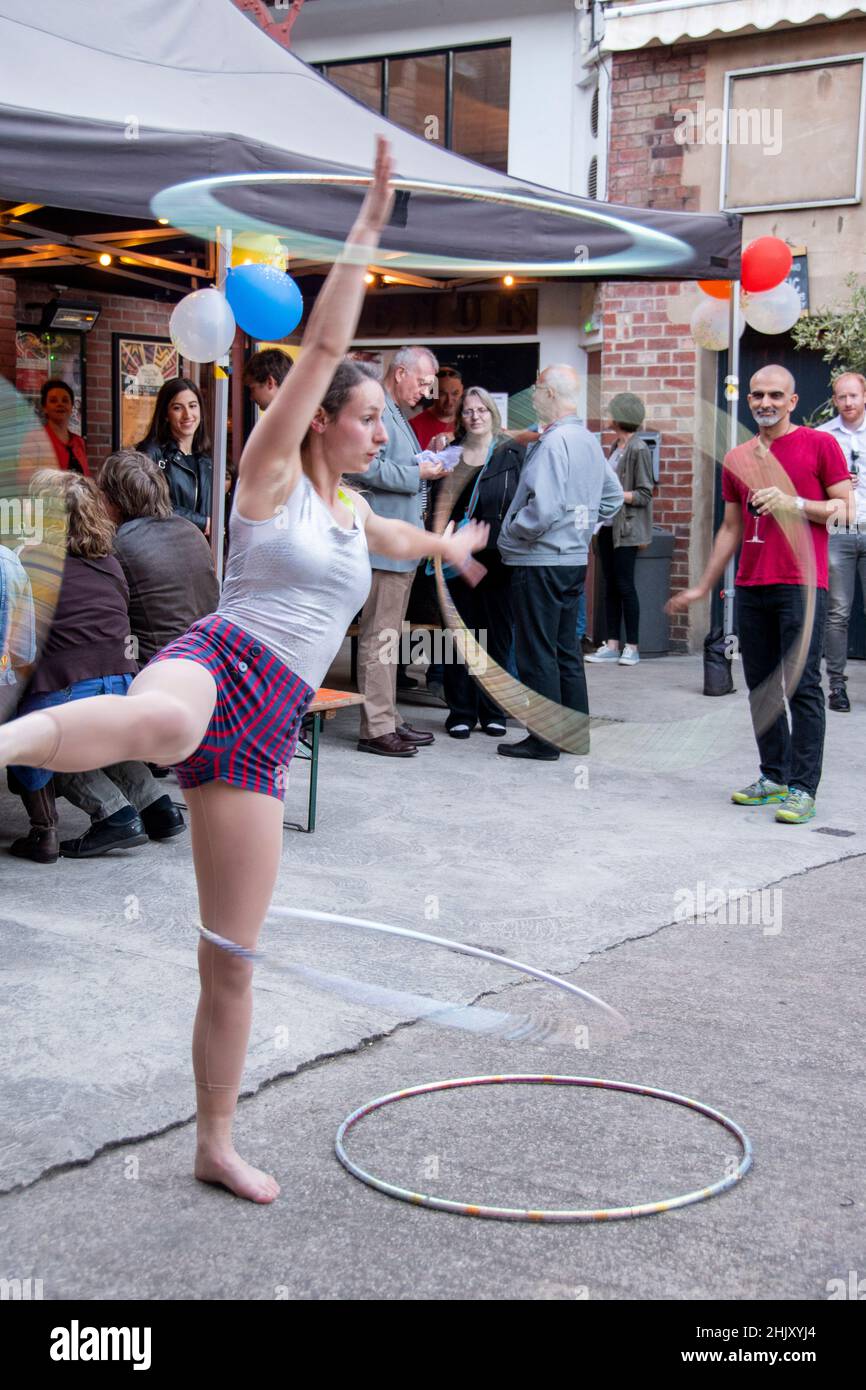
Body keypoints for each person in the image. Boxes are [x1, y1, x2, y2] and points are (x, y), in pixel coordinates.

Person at [0, 139, 487, 1201]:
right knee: (157, 724)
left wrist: (445, 547)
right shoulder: (269, 468)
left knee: (231, 952)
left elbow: (392, 544)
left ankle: (214, 1140)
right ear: (323, 416)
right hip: (219, 660)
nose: (379, 432)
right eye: (368, 417)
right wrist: (363, 232)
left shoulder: (357, 511)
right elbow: (320, 351)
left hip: (268, 731)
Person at [668, 365, 852, 825]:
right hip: (751, 586)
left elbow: (846, 509)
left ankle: (803, 788)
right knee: (762, 689)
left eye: (775, 395)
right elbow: (730, 527)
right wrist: (705, 585)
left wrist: (795, 504)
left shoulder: (820, 444)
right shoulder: (738, 457)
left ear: (792, 401)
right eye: (756, 395)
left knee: (803, 686)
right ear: (747, 400)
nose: (764, 402)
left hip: (802, 585)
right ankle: (774, 776)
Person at [6, 470, 184, 863]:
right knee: (102, 737)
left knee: (42, 740)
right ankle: (159, 809)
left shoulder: (32, 563)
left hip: (69, 682)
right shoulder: (109, 561)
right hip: (123, 678)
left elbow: (18, 637)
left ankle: (112, 816)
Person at [496, 365, 624, 761]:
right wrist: (580, 531)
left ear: (549, 393)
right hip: (570, 560)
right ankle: (573, 734)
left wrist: (514, 531)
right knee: (565, 647)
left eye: (535, 389)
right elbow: (613, 497)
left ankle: (545, 739)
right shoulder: (586, 439)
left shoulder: (554, 443)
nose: (531, 397)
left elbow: (545, 509)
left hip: (540, 561)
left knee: (537, 651)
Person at [346, 345, 445, 756]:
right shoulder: (378, 409)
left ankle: (389, 717)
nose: (426, 392)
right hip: (383, 549)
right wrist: (416, 472)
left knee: (388, 640)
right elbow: (363, 466)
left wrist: (423, 462)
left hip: (397, 549)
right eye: (422, 382)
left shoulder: (397, 414)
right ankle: (376, 728)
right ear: (399, 373)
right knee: (379, 638)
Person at [437, 387, 524, 739]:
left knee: (497, 639)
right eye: (469, 411)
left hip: (500, 558)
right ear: (462, 417)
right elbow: (438, 504)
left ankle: (493, 711)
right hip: (459, 557)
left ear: (493, 413)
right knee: (461, 636)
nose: (475, 416)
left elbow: (523, 499)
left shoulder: (512, 452)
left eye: (481, 410)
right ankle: (461, 710)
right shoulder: (451, 455)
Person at [99, 449, 219, 666]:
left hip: (159, 671)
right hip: (208, 661)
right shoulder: (191, 531)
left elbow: (106, 627)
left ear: (114, 500)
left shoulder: (120, 545)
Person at [586, 392, 654, 667]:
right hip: (608, 527)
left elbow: (644, 494)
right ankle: (612, 644)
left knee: (625, 585)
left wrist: (614, 496)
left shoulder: (638, 449)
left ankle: (632, 647)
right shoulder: (616, 446)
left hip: (627, 530)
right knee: (610, 586)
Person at [817, 372, 866, 712]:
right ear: (834, 399)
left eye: (853, 396)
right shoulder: (822, 436)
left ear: (864, 396)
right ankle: (837, 686)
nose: (848, 403)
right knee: (837, 613)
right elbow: (809, 485)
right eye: (841, 397)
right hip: (839, 530)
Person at [136, 379, 213, 535]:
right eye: (178, 408)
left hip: (201, 549)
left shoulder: (206, 458)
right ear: (165, 414)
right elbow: (150, 504)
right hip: (166, 548)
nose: (187, 414)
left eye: (192, 406)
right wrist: (202, 522)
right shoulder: (151, 453)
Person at [28, 379, 90, 475]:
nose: (60, 404)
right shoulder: (35, 440)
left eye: (65, 401)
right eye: (53, 401)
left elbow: (86, 478)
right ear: (44, 408)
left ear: (71, 407)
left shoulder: (79, 442)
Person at [411, 366, 463, 452]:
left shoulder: (471, 422)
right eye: (442, 394)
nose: (449, 401)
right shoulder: (414, 427)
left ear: (462, 390)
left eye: (455, 393)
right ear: (432, 392)